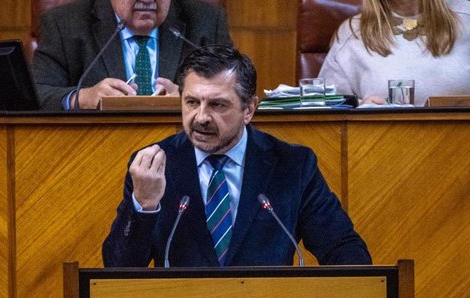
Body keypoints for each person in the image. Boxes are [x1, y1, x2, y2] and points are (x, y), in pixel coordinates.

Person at [102, 46, 372, 267]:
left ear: (249, 109)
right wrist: (144, 205)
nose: (202, 117)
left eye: (218, 104)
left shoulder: (292, 165)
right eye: (192, 102)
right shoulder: (154, 166)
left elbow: (342, 248)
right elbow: (117, 268)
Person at [32, 0, 233, 110]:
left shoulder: (206, 22)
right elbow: (36, 95)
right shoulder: (64, 24)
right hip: (95, 154)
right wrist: (83, 97)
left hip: (181, 149)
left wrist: (189, 98)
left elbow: (233, 91)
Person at [318, 0, 470, 106]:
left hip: (465, 152)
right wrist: (359, 111)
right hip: (379, 154)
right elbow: (330, 106)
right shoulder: (352, 32)